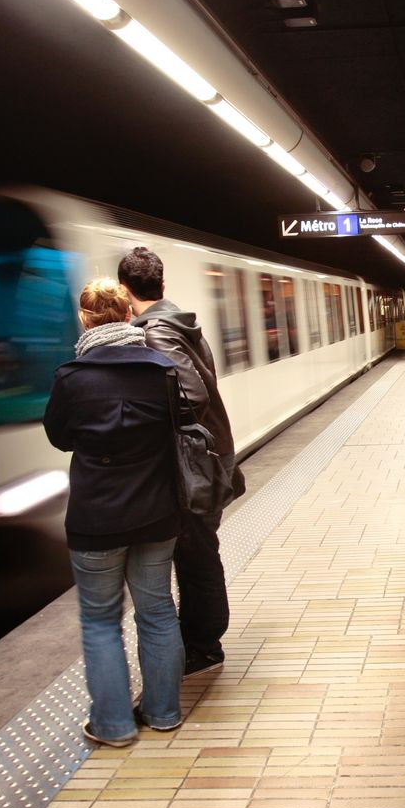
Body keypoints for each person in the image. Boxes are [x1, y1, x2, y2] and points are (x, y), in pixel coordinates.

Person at [43, 278, 185, 747]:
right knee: (158, 611)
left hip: (96, 519)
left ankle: (114, 725)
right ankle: (164, 713)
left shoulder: (71, 377)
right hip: (157, 511)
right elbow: (180, 426)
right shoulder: (162, 369)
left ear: (85, 319)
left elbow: (60, 437)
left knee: (101, 621)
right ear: (129, 315)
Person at [118, 246, 239, 677]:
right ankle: (203, 639)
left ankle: (203, 647)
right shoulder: (180, 322)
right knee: (199, 552)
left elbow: (194, 395)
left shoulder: (154, 333)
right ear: (162, 284)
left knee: (196, 555)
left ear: (123, 289)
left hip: (194, 466)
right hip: (209, 455)